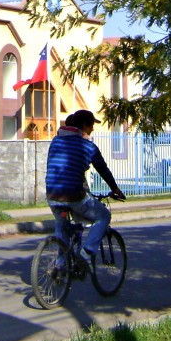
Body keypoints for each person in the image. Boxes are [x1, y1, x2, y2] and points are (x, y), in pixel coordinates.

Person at [45, 109, 126, 265]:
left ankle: (60, 265)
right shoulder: (88, 147)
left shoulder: (56, 141)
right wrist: (115, 189)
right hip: (74, 195)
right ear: (84, 126)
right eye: (91, 126)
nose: (93, 129)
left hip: (52, 194)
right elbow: (103, 169)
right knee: (103, 216)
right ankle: (87, 251)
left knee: (62, 225)